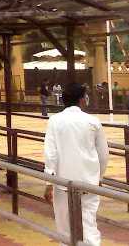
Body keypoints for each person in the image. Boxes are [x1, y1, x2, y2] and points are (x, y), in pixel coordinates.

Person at [44, 83, 109, 245]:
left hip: (62, 184)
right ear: (81, 100)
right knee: (88, 225)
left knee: (65, 228)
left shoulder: (54, 121)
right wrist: (98, 176)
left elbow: (51, 154)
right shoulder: (93, 121)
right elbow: (103, 154)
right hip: (89, 183)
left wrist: (48, 182)